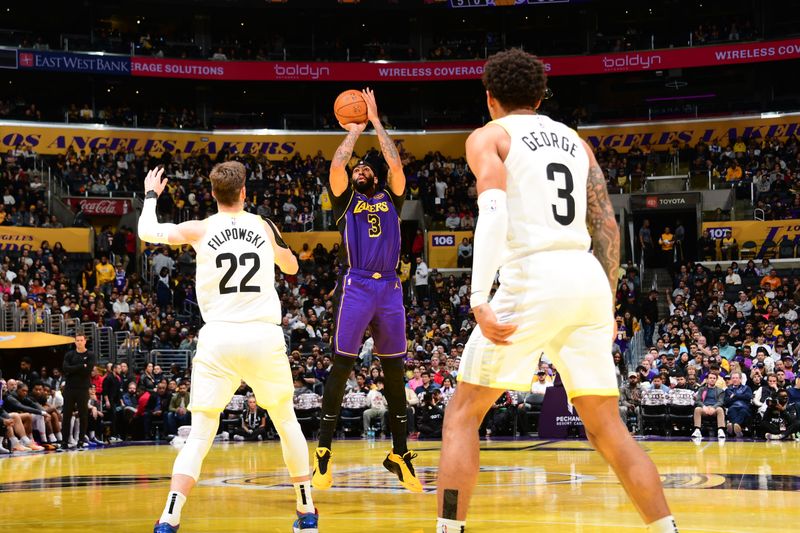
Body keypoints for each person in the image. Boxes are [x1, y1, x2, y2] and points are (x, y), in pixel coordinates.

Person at [435, 49, 677, 533]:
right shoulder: (575, 142)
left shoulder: (490, 136)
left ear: (490, 98)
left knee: (463, 415)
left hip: (533, 274)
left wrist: (479, 296)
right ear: (542, 96)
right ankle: (666, 528)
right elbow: (607, 223)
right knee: (608, 427)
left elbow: (494, 213)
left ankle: (448, 530)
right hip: (585, 274)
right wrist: (606, 304)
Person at [139, 163, 318, 533]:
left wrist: (151, 195)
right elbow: (292, 268)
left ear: (213, 193)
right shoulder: (264, 226)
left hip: (218, 337)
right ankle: (306, 509)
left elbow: (147, 230)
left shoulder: (200, 228)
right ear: (244, 192)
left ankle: (170, 516)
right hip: (261, 335)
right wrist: (277, 251)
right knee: (286, 421)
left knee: (202, 431)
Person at [312, 89, 421, 493]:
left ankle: (398, 453)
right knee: (342, 364)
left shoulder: (392, 194)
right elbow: (337, 164)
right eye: (356, 169)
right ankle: (323, 453)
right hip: (357, 284)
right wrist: (354, 131)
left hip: (391, 288)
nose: (358, 169)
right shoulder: (345, 201)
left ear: (374, 175)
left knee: (395, 372)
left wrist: (375, 120)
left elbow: (394, 161)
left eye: (363, 168)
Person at [61, 333, 95, 450]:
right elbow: (65, 368)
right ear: (75, 342)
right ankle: (64, 442)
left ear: (85, 341)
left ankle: (80, 441)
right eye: (77, 340)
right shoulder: (69, 354)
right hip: (69, 388)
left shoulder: (90, 355)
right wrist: (81, 366)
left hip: (83, 389)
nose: (79, 342)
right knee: (66, 416)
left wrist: (73, 369)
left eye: (81, 340)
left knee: (83, 415)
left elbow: (88, 371)